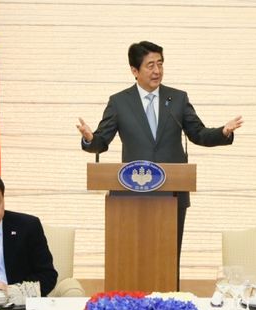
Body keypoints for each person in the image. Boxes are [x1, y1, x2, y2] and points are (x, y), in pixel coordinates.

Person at [76, 40, 243, 260]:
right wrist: (90, 139)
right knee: (134, 259)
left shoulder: (177, 99)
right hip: (131, 195)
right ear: (134, 71)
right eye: (150, 65)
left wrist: (223, 131)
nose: (157, 71)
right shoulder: (119, 102)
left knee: (168, 258)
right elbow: (102, 141)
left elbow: (198, 134)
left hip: (172, 194)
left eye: (160, 64)